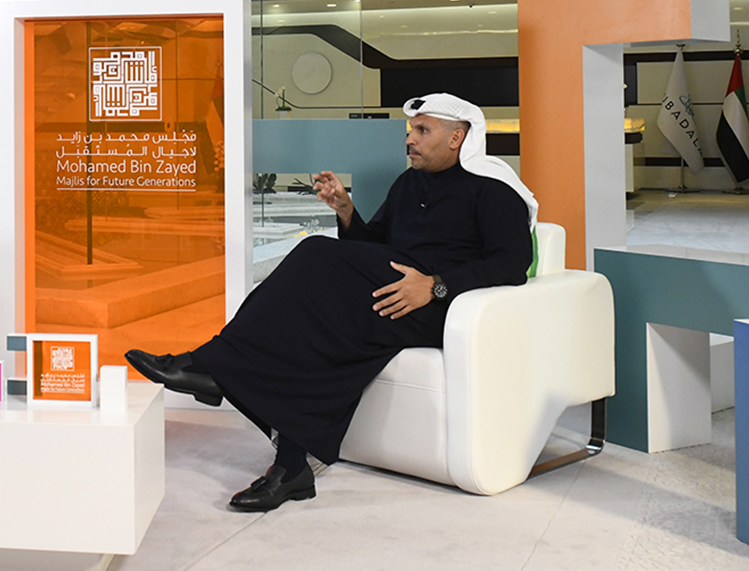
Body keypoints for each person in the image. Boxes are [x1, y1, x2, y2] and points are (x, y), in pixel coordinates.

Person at [126, 94, 537, 512]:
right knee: (310, 331)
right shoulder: (408, 183)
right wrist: (346, 211)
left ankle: (211, 368)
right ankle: (290, 467)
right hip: (390, 296)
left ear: (457, 138)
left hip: (438, 309)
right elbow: (374, 247)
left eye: (422, 130)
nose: (410, 139)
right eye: (411, 130)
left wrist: (434, 286)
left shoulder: (494, 190)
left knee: (315, 254)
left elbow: (511, 265)